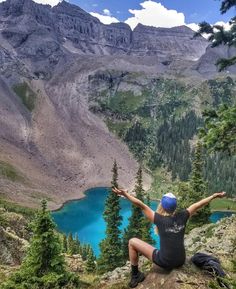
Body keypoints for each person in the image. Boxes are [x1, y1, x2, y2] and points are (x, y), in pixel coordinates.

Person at [112, 188, 226, 288]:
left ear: (161, 205)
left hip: (165, 262)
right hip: (181, 260)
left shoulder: (158, 219)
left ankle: (135, 275)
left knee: (132, 242)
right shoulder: (183, 216)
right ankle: (137, 274)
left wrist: (126, 195)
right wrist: (214, 196)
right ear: (175, 206)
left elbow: (141, 204)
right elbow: (198, 205)